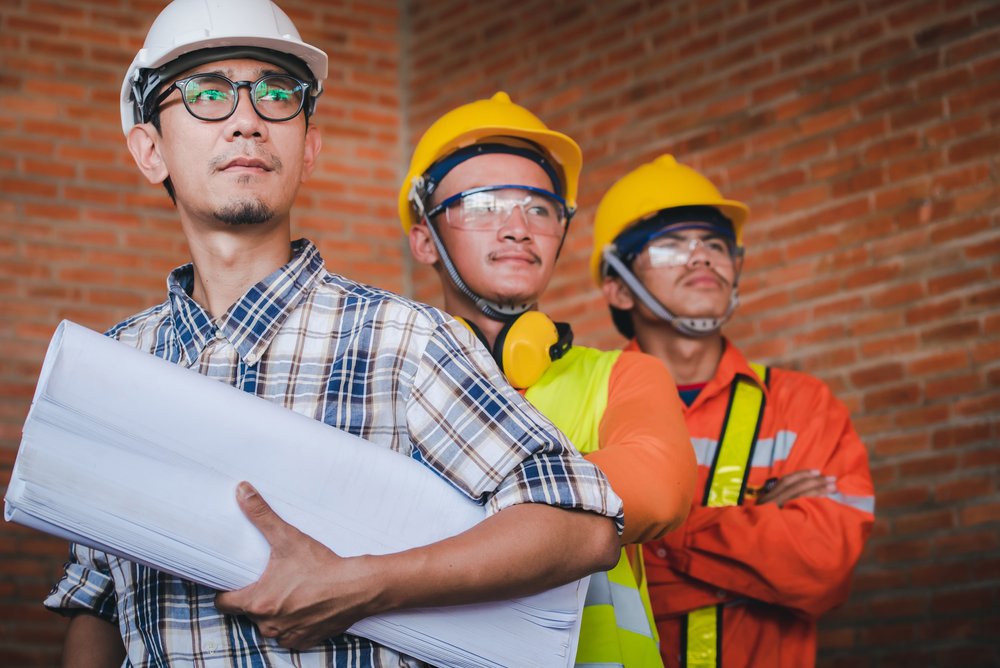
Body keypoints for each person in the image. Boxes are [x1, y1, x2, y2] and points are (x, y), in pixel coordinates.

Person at [43, 2, 626, 665]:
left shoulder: (405, 343)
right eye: (207, 93)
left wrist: (367, 584)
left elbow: (582, 528)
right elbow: (97, 605)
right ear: (150, 151)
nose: (247, 120)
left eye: (276, 95)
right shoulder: (116, 369)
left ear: (308, 147)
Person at [401, 93, 698, 666]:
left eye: (540, 208)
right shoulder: (382, 378)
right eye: (483, 204)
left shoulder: (621, 374)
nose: (518, 228)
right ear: (423, 238)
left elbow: (659, 493)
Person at [590, 154, 876, 667]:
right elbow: (564, 580)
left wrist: (644, 540)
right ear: (616, 287)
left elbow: (824, 568)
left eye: (716, 244)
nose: (701, 258)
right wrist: (756, 531)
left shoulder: (803, 405)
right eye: (671, 245)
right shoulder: (583, 403)